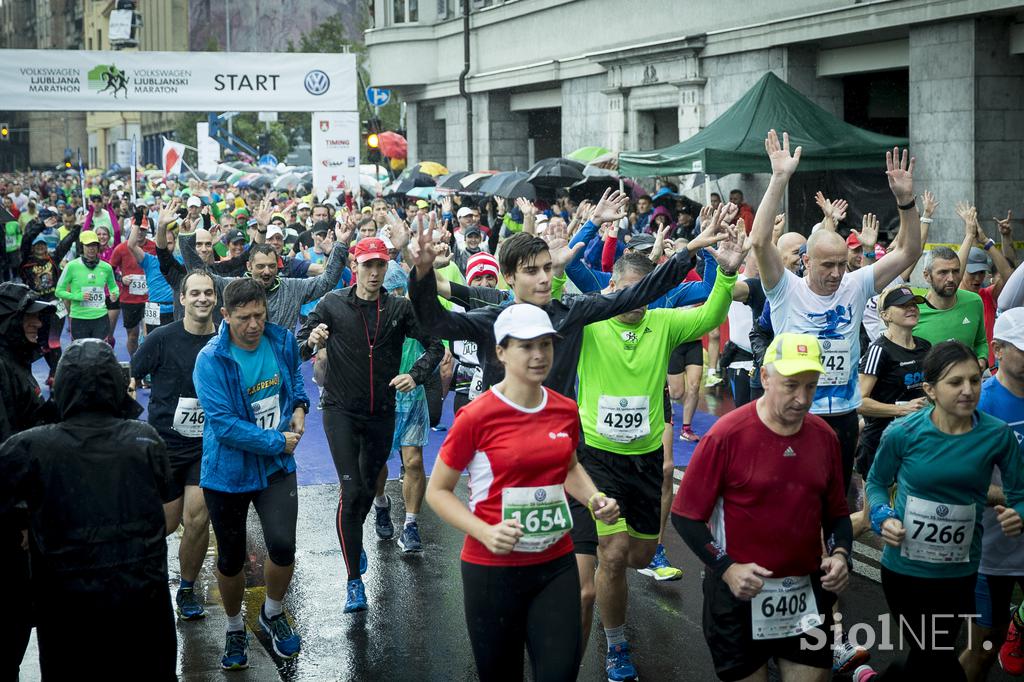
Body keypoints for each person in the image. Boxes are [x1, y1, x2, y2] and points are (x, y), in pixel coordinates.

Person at [425, 303, 619, 682]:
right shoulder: (477, 416)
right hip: (491, 571)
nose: (538, 355)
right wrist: (484, 531)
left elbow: (568, 467)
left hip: (555, 564)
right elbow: (438, 491)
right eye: (526, 346)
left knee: (560, 673)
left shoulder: (564, 409)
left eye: (545, 345)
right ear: (500, 351)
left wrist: (594, 499)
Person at [576, 242, 741, 681]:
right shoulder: (591, 319)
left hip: (645, 458)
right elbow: (552, 296)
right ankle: (616, 645)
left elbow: (708, 317)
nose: (635, 301)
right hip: (598, 455)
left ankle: (610, 569)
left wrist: (724, 274)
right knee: (611, 555)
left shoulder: (663, 323)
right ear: (612, 286)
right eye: (627, 291)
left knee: (639, 554)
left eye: (643, 292)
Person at [752, 132, 923, 499]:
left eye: (841, 265)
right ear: (806, 262)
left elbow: (909, 251)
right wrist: (779, 178)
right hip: (796, 411)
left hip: (844, 415)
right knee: (790, 497)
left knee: (835, 500)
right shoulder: (784, 288)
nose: (835, 274)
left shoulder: (856, 285)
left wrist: (906, 202)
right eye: (826, 265)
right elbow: (759, 242)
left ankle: (836, 554)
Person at [673, 333, 852, 682]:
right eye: (791, 385)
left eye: (811, 386)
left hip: (803, 593)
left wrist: (841, 554)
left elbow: (836, 513)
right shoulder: (726, 435)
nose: (802, 399)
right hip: (740, 594)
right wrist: (726, 568)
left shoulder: (824, 437)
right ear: (765, 377)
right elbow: (686, 515)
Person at [0, 339, 177, 679]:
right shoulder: (145, 440)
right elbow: (169, 512)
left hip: (66, 603)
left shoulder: (31, 446)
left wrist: (22, 525)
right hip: (140, 597)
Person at [858, 341, 1024, 681]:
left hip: (960, 572)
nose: (968, 390)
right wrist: (881, 517)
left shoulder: (996, 435)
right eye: (955, 382)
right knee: (934, 654)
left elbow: (1018, 493)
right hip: (905, 570)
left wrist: (1018, 513)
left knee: (933, 653)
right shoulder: (903, 432)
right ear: (930, 389)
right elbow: (875, 484)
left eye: (975, 380)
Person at [296, 237, 443, 613]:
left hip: (382, 413)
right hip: (340, 411)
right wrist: (312, 340)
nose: (374, 273)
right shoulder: (332, 303)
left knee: (366, 487)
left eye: (380, 266)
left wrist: (415, 374)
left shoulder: (398, 308)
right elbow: (300, 345)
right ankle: (353, 581)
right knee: (351, 488)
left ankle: (355, 541)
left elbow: (434, 346)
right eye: (368, 266)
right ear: (356, 267)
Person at [194, 278, 308, 668]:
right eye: (244, 318)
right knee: (230, 558)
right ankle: (233, 627)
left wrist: (300, 406)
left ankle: (272, 613)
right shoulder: (211, 359)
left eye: (260, 315)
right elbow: (224, 425)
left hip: (276, 468)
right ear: (225, 316)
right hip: (228, 472)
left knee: (283, 546)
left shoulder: (281, 339)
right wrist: (278, 442)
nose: (254, 324)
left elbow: (293, 378)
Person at [131, 270, 217, 621]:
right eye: (194, 293)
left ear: (215, 298)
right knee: (164, 525)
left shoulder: (223, 341)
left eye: (208, 293)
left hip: (207, 446)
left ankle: (186, 588)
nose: (202, 299)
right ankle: (142, 581)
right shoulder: (162, 338)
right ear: (181, 299)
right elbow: (134, 371)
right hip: (165, 444)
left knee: (197, 520)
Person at [959, 309, 1024, 679]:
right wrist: (1013, 498)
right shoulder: (977, 403)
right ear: (997, 349)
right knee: (983, 647)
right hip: (990, 554)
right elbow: (956, 479)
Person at [0, 282, 56, 679]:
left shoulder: (13, 363)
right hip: (8, 519)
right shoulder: (1, 368)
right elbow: (6, 450)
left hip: (19, 511)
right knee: (12, 615)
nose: (38, 321)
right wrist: (18, 516)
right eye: (29, 314)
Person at [848, 285, 931, 538]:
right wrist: (902, 409)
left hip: (918, 440)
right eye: (903, 305)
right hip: (881, 441)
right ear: (885, 315)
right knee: (870, 519)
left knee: (908, 514)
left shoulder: (926, 347)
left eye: (914, 304)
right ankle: (823, 551)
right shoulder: (879, 350)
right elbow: (859, 402)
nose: (912, 309)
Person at [913, 246, 988, 370]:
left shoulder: (974, 301)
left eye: (956, 271)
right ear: (927, 275)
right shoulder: (913, 311)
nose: (951, 279)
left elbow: (981, 342)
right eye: (943, 272)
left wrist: (981, 360)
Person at [54, 229, 119, 339]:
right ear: (82, 246)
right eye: (88, 245)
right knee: (81, 353)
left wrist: (114, 294)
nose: (91, 248)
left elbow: (114, 287)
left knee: (98, 352)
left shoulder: (106, 267)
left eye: (94, 245)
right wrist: (77, 296)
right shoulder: (71, 266)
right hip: (79, 318)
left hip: (100, 317)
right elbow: (58, 292)